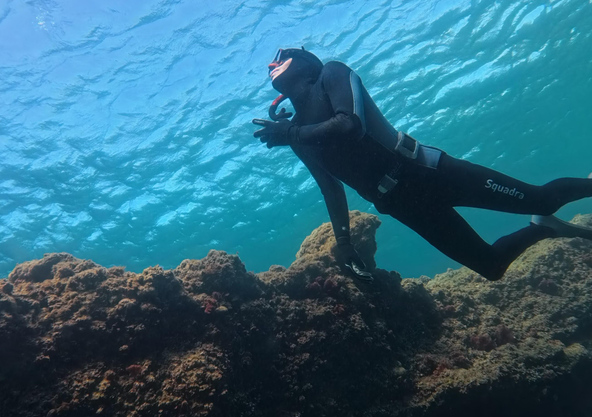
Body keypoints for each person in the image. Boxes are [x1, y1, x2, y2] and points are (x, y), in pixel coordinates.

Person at [253, 47, 592, 282]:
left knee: (542, 199)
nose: (271, 65)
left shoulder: (332, 73)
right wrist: (344, 241)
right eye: (270, 64)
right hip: (400, 204)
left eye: (281, 58)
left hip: (427, 172)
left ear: (305, 62)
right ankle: (544, 228)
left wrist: (292, 132)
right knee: (490, 266)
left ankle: (556, 205)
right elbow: (330, 187)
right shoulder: (296, 133)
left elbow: (350, 123)